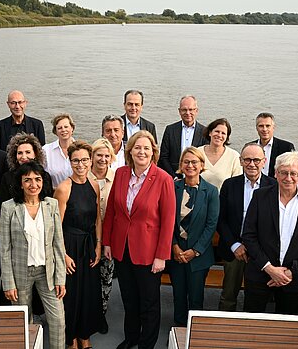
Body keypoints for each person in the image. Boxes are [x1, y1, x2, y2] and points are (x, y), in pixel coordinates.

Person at [104, 130, 175, 349]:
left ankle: (147, 342)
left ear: (153, 152)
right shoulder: (121, 174)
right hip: (122, 248)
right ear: (130, 151)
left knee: (149, 302)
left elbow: (168, 220)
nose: (141, 151)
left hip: (148, 252)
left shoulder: (163, 178)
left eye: (146, 148)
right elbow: (112, 213)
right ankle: (131, 337)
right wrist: (107, 242)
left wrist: (161, 256)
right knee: (129, 298)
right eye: (137, 147)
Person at [241, 151, 298, 314]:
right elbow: (249, 235)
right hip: (260, 274)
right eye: (283, 173)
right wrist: (269, 268)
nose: (288, 178)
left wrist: (291, 272)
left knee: (287, 327)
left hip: (294, 280)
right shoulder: (260, 196)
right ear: (275, 173)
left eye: (293, 173)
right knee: (252, 323)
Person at [0, 162, 66, 349]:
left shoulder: (51, 204)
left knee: (58, 321)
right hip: (21, 273)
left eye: (37, 179)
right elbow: (4, 248)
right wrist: (8, 282)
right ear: (20, 183)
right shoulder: (9, 208)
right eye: (27, 180)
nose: (33, 184)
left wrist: (61, 278)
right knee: (23, 322)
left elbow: (58, 244)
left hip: (48, 272)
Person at [54, 141, 102, 349]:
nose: (80, 164)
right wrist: (63, 255)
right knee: (71, 296)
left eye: (84, 160)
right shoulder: (64, 188)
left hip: (89, 245)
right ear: (70, 162)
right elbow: (56, 226)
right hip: (69, 247)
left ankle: (84, 335)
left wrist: (99, 245)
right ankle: (71, 339)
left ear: (90, 161)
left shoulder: (94, 184)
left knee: (88, 294)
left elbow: (98, 218)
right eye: (76, 160)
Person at [216, 143, 276, 311]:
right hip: (234, 249)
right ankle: (225, 326)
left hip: (261, 252)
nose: (252, 164)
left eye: (256, 160)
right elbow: (221, 219)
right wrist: (234, 245)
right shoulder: (229, 185)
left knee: (256, 296)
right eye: (247, 159)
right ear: (241, 161)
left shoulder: (273, 186)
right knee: (228, 295)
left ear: (264, 161)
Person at [168, 147, 219, 326]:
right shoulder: (172, 187)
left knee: (196, 298)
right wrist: (174, 246)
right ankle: (178, 331)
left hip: (198, 256)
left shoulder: (211, 191)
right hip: (176, 254)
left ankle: (193, 332)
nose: (190, 165)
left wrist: (195, 251)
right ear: (181, 165)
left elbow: (211, 224)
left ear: (202, 165)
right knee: (178, 296)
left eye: (194, 162)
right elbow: (165, 220)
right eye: (186, 162)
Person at [87, 138, 116, 334]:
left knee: (106, 277)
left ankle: (101, 314)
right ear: (92, 156)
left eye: (107, 155)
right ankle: (86, 312)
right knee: (87, 276)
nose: (103, 159)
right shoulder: (83, 176)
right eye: (99, 155)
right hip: (87, 234)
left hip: (108, 235)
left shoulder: (117, 178)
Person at [158, 95, 207, 177]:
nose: (188, 113)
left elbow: (205, 160)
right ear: (179, 111)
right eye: (184, 110)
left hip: (196, 179)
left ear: (196, 111)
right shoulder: (170, 130)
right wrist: (174, 177)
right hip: (174, 178)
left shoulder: (204, 132)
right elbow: (164, 157)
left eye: (191, 109)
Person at [0, 132, 53, 204]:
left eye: (28, 152)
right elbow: (3, 204)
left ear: (35, 154)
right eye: (20, 153)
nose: (24, 157)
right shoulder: (7, 177)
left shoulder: (44, 176)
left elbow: (48, 202)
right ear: (14, 156)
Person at [198, 118, 242, 190]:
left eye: (223, 133)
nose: (219, 135)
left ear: (227, 137)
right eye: (217, 131)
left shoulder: (234, 157)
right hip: (198, 199)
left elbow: (236, 185)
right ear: (210, 133)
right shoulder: (197, 153)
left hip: (223, 200)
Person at [251, 112, 295, 178]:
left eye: (268, 126)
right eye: (261, 126)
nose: (264, 129)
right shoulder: (250, 147)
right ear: (256, 128)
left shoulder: (286, 147)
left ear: (273, 127)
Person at [42, 113, 75, 189]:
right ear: (55, 131)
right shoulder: (46, 150)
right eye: (59, 128)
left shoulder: (81, 150)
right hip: (54, 194)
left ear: (72, 128)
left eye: (66, 127)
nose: (63, 130)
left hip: (78, 194)